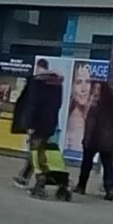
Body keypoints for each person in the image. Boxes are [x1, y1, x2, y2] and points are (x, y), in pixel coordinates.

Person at [24, 68, 70, 201]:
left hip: (38, 125)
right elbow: (58, 105)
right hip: (50, 124)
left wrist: (29, 125)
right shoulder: (57, 87)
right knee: (47, 151)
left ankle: (40, 178)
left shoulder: (39, 86)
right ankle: (50, 174)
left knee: (36, 152)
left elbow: (33, 106)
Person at [75, 80, 113, 201]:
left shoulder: (95, 105)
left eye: (97, 89)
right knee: (107, 165)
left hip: (94, 139)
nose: (95, 92)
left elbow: (91, 123)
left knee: (87, 164)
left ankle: (81, 186)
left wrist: (86, 139)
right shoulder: (110, 106)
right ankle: (109, 189)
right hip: (106, 141)